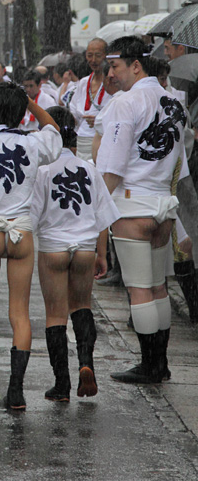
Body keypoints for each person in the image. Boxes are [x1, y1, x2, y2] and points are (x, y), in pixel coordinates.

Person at [0, 83, 61, 410]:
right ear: (22, 114)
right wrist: (30, 101)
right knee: (19, 310)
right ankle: (16, 390)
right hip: (22, 232)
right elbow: (54, 129)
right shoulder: (34, 144)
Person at [97, 37, 188, 384]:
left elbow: (114, 165)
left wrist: (96, 210)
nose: (111, 74)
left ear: (136, 64)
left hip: (133, 204)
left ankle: (150, 365)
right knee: (158, 287)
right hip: (163, 204)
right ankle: (159, 363)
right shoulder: (174, 102)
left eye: (115, 66)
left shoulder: (127, 102)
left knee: (139, 289)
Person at [30, 107, 119, 402]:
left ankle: (61, 385)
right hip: (84, 247)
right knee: (81, 307)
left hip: (54, 247)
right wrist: (101, 254)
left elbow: (33, 215)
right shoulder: (90, 169)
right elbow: (102, 216)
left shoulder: (42, 170)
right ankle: (86, 363)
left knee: (55, 313)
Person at [69, 38, 111, 160]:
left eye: (98, 55)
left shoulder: (113, 82)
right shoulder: (83, 83)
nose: (93, 60)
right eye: (89, 55)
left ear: (106, 56)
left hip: (102, 140)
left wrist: (101, 121)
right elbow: (73, 112)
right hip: (81, 140)